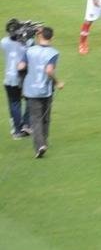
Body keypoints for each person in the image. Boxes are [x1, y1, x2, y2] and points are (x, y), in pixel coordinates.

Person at [19, 26, 61, 159]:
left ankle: (40, 146)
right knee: (45, 118)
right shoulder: (53, 53)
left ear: (39, 36)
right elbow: (49, 70)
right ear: (52, 37)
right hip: (46, 91)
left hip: (31, 90)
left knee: (35, 119)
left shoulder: (30, 50)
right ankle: (44, 142)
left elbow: (20, 66)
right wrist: (57, 82)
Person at [3, 22, 29, 138]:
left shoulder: (4, 42)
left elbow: (11, 36)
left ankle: (17, 129)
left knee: (13, 103)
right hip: (22, 78)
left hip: (8, 78)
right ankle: (24, 126)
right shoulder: (25, 45)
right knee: (28, 101)